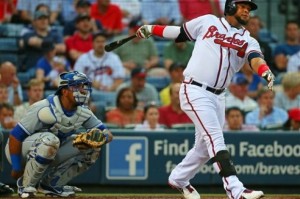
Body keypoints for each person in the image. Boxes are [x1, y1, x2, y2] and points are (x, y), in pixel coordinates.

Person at [135, 0, 275, 198]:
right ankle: (235, 189)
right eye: (243, 5)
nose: (247, 10)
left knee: (202, 147)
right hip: (195, 89)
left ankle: (179, 178)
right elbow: (179, 32)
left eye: (249, 8)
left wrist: (265, 70)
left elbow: (255, 58)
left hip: (219, 96)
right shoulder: (208, 21)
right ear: (230, 7)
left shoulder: (248, 39)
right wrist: (151, 28)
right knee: (215, 139)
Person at [5, 71, 113, 198]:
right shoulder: (43, 107)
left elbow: (108, 134)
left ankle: (51, 184)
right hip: (21, 151)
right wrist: (16, 167)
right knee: (51, 140)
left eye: (83, 86)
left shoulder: (84, 111)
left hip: (50, 150)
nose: (83, 90)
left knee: (93, 148)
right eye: (76, 86)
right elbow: (15, 136)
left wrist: (100, 138)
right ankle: (26, 185)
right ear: (64, 91)